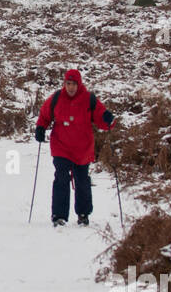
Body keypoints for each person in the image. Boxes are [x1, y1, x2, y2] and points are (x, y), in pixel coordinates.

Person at [35, 69, 114, 227]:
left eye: (74, 84)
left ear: (79, 84)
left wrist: (107, 119)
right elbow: (45, 114)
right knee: (61, 179)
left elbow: (102, 119)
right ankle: (59, 216)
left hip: (82, 148)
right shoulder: (56, 98)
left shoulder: (89, 99)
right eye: (68, 84)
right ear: (64, 83)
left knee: (82, 181)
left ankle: (83, 214)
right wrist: (40, 128)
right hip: (61, 146)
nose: (71, 87)